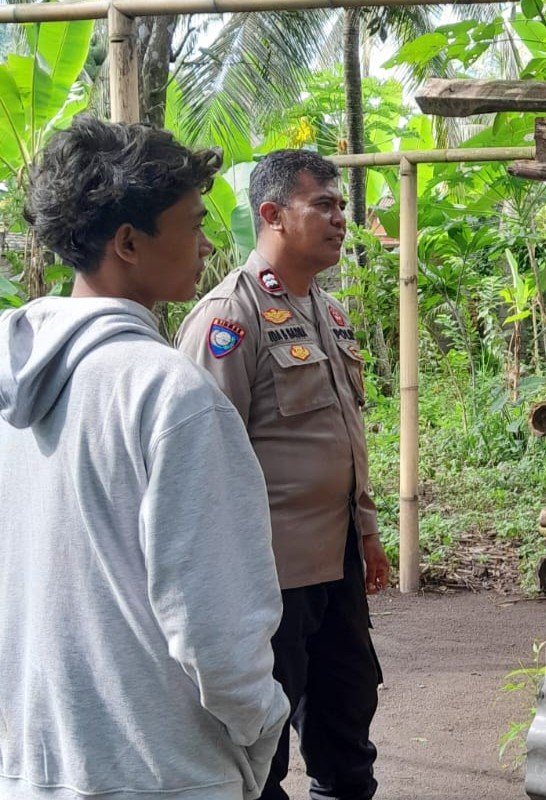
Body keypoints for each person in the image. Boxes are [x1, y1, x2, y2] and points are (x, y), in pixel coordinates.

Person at [0, 116, 289, 800]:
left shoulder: (13, 385)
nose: (207, 243)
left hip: (33, 764)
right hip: (160, 770)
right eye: (192, 224)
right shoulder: (171, 395)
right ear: (128, 243)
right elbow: (216, 627)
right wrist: (261, 726)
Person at [177, 149, 389, 800]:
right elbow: (200, 464)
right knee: (258, 748)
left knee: (347, 726)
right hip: (268, 578)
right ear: (271, 214)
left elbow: (346, 433)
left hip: (336, 562)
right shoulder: (227, 319)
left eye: (341, 205)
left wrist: (368, 532)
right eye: (323, 205)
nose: (340, 218)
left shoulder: (328, 312)